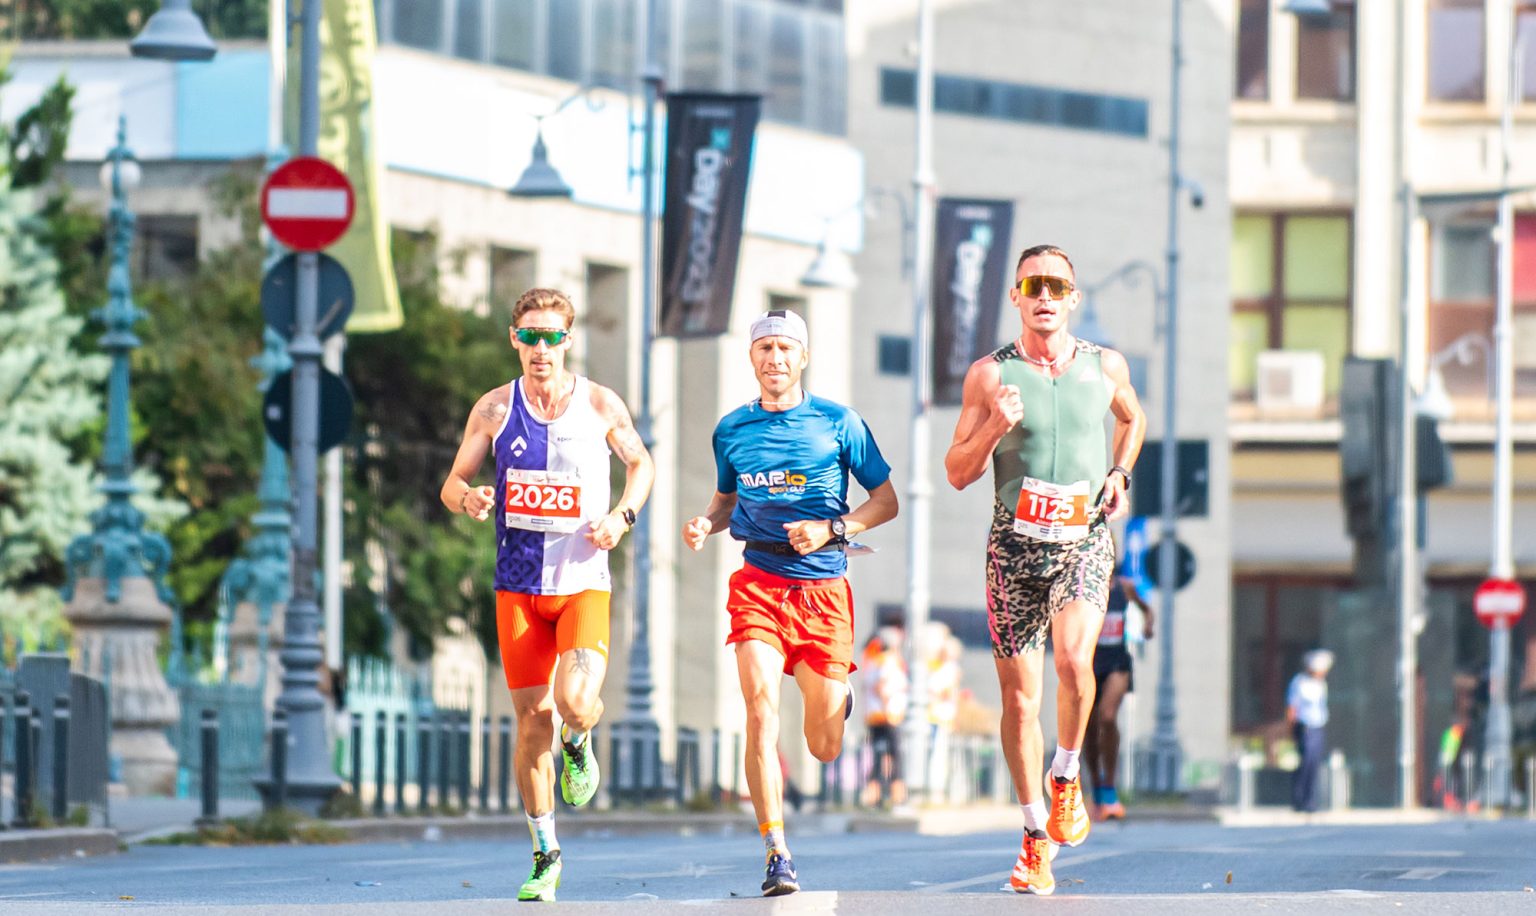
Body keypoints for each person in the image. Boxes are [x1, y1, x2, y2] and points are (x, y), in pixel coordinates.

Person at [943, 244, 1146, 896]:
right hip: (1013, 548)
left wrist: (1119, 473)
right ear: (1017, 296)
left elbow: (1133, 419)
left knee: (1072, 662)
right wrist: (994, 426)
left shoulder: (1102, 365)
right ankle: (1034, 836)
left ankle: (1066, 775)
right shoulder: (988, 377)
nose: (1045, 295)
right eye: (1033, 284)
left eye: (1057, 284)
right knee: (1020, 698)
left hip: (1083, 539)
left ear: (1073, 297)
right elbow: (957, 471)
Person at [440, 287, 654, 902]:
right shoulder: (493, 409)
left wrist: (622, 517)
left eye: (552, 336)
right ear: (515, 339)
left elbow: (641, 465)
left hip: (583, 581)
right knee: (532, 723)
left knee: (577, 701)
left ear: (568, 340)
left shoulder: (598, 403)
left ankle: (580, 741)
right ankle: (545, 853)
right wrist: (471, 498)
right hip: (518, 589)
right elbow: (454, 482)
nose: (541, 348)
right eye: (529, 336)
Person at [682, 309, 898, 897]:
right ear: (752, 358)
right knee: (758, 708)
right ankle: (777, 850)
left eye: (785, 348)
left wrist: (833, 528)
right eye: (765, 348)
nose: (774, 358)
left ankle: (838, 697)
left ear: (802, 357)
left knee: (823, 746)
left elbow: (885, 501)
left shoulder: (837, 422)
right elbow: (726, 500)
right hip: (758, 580)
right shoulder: (731, 429)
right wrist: (705, 522)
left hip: (823, 589)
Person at [1083, 569, 1153, 820]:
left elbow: (1146, 609)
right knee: (1088, 729)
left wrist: (1148, 626)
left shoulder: (1124, 587)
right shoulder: (1082, 582)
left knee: (1108, 716)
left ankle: (1111, 787)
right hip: (1089, 662)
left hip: (1117, 662)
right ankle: (1097, 787)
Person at [860, 625, 909, 808]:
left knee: (878, 755)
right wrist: (888, 705)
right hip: (889, 716)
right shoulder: (889, 660)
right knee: (896, 755)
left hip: (874, 715)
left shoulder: (872, 660)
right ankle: (898, 796)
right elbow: (881, 686)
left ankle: (875, 795)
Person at [1287, 649, 1333, 814]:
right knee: (1305, 763)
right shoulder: (1299, 682)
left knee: (1314, 764)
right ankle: (1299, 800)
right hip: (1304, 727)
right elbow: (1292, 707)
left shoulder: (1321, 684)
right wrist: (1292, 730)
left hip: (1317, 726)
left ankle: (1310, 800)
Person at [924, 629, 963, 802]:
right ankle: (930, 789)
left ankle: (938, 790)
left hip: (944, 716)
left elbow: (951, 694)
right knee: (932, 753)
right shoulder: (933, 666)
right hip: (932, 715)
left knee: (940, 755)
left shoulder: (952, 669)